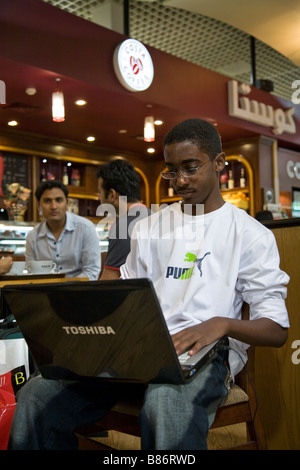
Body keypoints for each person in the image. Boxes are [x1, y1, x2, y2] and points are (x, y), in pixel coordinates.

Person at [9, 119, 289, 450]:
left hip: (203, 358)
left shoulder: (250, 235)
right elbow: (124, 298)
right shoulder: (148, 227)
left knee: (165, 402)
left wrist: (222, 324)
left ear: (218, 163)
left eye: (190, 167)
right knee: (35, 394)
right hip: (135, 353)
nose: (180, 181)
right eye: (171, 170)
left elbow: (277, 330)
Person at [25, 180, 100, 280]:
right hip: (45, 291)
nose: (53, 206)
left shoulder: (85, 228)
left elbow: (92, 271)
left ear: (67, 203)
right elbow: (31, 273)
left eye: (59, 200)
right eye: (47, 201)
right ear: (39, 206)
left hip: (79, 290)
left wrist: (66, 288)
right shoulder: (32, 236)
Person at [96, 160, 151, 280]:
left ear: (112, 194)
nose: (98, 198)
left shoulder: (123, 226)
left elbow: (109, 281)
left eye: (100, 192)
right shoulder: (155, 216)